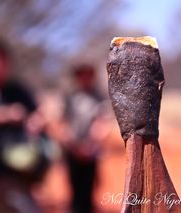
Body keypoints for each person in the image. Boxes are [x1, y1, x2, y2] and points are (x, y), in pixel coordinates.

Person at [0, 37, 44, 213]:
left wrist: (34, 123)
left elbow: (38, 113)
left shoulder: (16, 90)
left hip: (15, 171)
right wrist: (3, 116)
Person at [61, 64, 104, 213]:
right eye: (81, 75)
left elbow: (101, 122)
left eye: (88, 75)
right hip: (73, 151)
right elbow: (64, 122)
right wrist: (74, 146)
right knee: (74, 187)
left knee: (89, 186)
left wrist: (91, 145)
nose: (85, 78)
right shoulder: (70, 96)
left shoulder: (98, 97)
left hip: (91, 151)